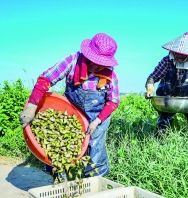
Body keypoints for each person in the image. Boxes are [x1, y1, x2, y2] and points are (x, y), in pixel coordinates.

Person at [19, 33, 119, 178]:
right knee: (58, 144)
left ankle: (94, 181)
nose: (96, 65)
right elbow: (45, 79)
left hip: (98, 115)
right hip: (73, 112)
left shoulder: (110, 74)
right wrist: (31, 107)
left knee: (95, 147)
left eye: (101, 62)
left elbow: (113, 101)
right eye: (94, 60)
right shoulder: (73, 61)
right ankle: (60, 179)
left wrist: (97, 121)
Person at [145, 32, 188, 140]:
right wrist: (150, 89)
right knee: (164, 120)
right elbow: (153, 77)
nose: (180, 55)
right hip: (167, 93)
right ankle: (160, 141)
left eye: (183, 54)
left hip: (186, 93)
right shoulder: (167, 61)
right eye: (177, 53)